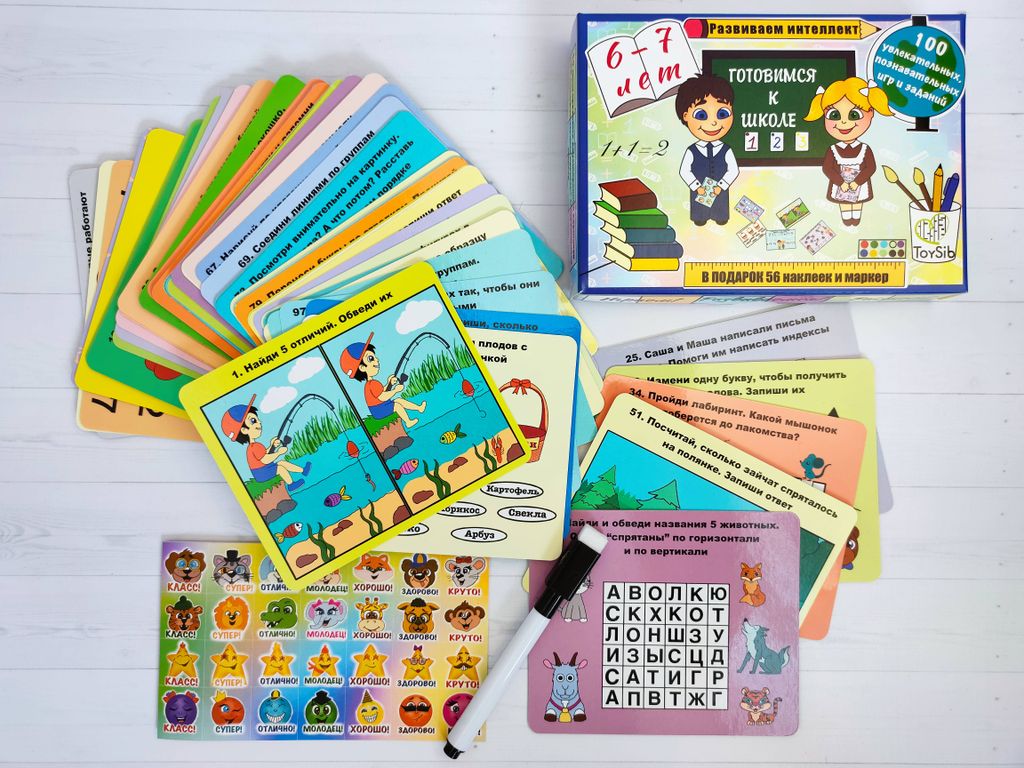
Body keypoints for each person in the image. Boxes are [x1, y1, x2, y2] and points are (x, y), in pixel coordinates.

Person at [804, 77, 893, 227]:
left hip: (859, 185)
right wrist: (841, 183)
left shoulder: (865, 149)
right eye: (834, 115)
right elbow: (827, 168)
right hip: (841, 185)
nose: (843, 122)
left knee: (858, 203)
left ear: (870, 113)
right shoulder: (833, 150)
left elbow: (871, 167)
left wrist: (857, 182)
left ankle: (856, 218)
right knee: (844, 204)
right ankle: (846, 219)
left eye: (853, 115)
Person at [675, 73, 739, 226]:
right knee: (700, 212)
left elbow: (733, 170)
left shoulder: (726, 150)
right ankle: (700, 218)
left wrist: (721, 185)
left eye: (722, 113)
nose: (713, 123)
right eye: (701, 115)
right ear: (686, 116)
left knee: (720, 209)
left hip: (720, 192)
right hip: (699, 192)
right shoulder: (692, 150)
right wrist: (696, 186)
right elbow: (684, 171)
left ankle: (720, 217)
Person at [221, 394, 310, 492]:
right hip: (262, 472)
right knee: (280, 468)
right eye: (253, 420)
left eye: (257, 419)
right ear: (244, 430)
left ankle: (303, 470)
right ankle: (291, 485)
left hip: (262, 470)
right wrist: (279, 452)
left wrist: (272, 445)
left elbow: (263, 454)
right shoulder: (254, 446)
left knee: (282, 463)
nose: (259, 422)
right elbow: (265, 460)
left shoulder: (255, 446)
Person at [339, 332, 426, 428]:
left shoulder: (372, 383)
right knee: (397, 405)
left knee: (399, 400)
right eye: (371, 358)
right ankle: (408, 422)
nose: (377, 360)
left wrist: (389, 383)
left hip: (380, 407)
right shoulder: (372, 384)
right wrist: (395, 390)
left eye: (374, 356)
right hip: (379, 410)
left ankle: (419, 408)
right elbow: (382, 397)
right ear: (362, 368)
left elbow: (381, 392)